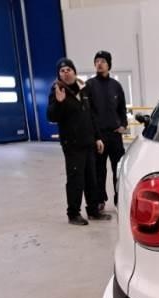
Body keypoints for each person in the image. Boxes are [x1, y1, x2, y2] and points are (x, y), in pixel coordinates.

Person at [47, 57, 111, 225]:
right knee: (76, 180)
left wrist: (97, 137)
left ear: (74, 72)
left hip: (88, 141)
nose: (66, 73)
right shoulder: (57, 90)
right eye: (62, 71)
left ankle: (93, 211)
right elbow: (51, 117)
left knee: (91, 179)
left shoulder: (84, 89)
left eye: (68, 69)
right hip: (72, 144)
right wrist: (59, 103)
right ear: (59, 75)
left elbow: (91, 116)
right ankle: (73, 214)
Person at [86, 50, 127, 208]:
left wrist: (123, 124)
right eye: (97, 61)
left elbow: (122, 108)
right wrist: (95, 135)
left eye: (103, 61)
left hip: (115, 135)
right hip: (99, 136)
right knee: (99, 170)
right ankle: (100, 199)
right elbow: (88, 111)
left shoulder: (116, 86)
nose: (99, 64)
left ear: (109, 65)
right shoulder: (90, 85)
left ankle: (119, 197)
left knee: (118, 168)